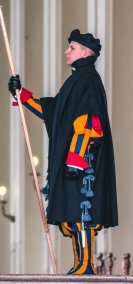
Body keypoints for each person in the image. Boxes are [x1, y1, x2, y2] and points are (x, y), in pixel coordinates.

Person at [8, 29, 118, 275]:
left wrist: (77, 158)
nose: (66, 51)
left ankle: (86, 264)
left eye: (72, 47)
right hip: (73, 162)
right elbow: (54, 110)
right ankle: (81, 262)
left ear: (86, 52)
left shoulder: (88, 79)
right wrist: (21, 94)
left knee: (83, 211)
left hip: (83, 163)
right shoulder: (76, 79)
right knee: (72, 211)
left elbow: (89, 121)